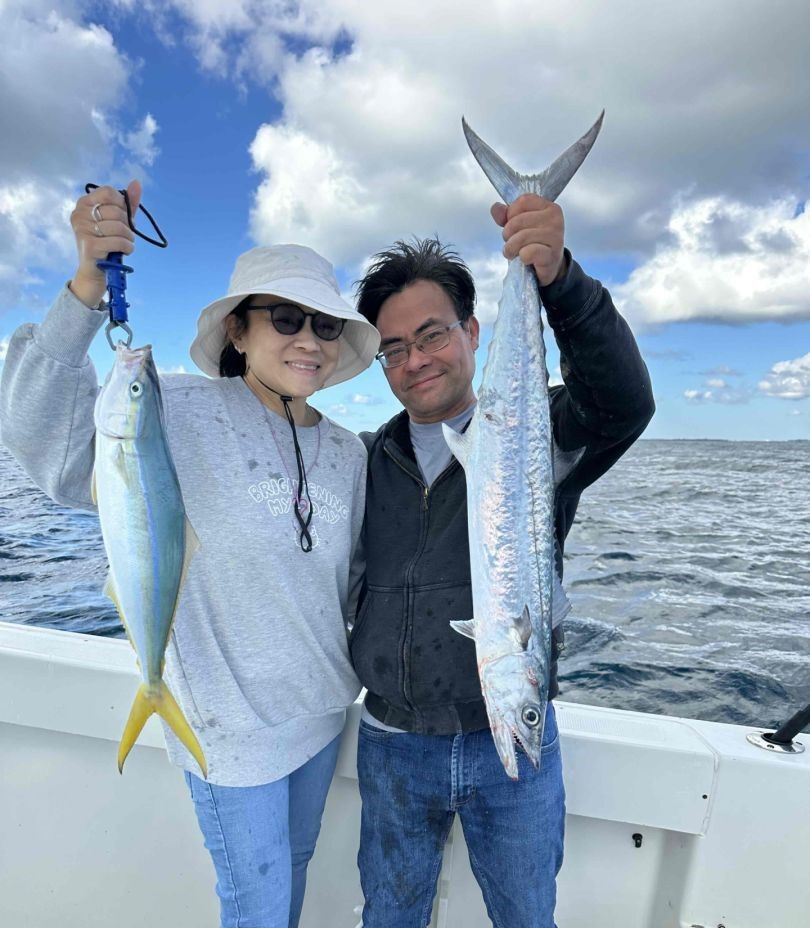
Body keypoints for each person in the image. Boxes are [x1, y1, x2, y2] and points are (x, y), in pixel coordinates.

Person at [0, 181, 380, 928]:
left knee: (295, 874)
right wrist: (86, 288)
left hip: (323, 713)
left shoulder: (349, 452)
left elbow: (353, 581)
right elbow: (48, 444)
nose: (309, 339)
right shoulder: (172, 408)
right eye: (285, 318)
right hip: (228, 728)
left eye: (326, 324)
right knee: (259, 909)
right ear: (237, 331)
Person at [350, 193, 655, 928]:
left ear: (472, 331)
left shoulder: (546, 435)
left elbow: (624, 402)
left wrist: (560, 281)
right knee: (388, 917)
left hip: (509, 751)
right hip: (393, 745)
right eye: (394, 348)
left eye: (432, 334)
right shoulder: (364, 460)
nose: (416, 359)